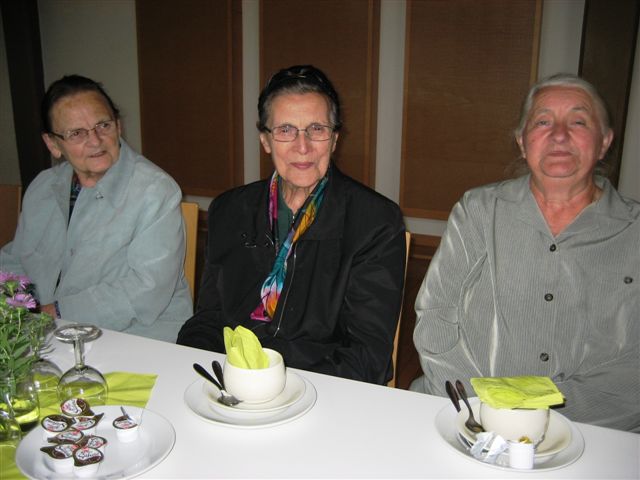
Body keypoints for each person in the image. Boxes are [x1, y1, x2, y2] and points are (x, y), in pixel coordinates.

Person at [410, 73, 639, 432]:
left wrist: (533, 414)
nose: (559, 134)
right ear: (522, 142)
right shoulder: (478, 210)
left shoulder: (634, 233)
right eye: (543, 121)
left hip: (589, 429)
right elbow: (436, 314)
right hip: (463, 410)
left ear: (605, 142)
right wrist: (482, 408)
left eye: (578, 122)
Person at [177, 65, 406, 384]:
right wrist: (191, 370)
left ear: (334, 139)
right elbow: (209, 319)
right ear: (265, 140)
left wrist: (275, 385)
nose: (303, 146)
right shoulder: (229, 210)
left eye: (317, 129)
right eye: (286, 130)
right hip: (233, 380)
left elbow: (367, 356)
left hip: (322, 387)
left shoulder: (374, 222)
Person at [0, 75, 192, 342]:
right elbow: (18, 258)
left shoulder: (155, 190)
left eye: (103, 125)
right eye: (77, 133)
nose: (95, 140)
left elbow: (147, 287)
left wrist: (53, 312)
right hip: (47, 332)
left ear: (118, 126)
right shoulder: (43, 188)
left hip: (135, 336)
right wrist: (13, 301)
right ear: (53, 144)